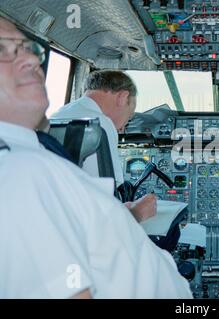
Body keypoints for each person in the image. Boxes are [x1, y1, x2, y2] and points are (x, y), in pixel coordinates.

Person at [0, 17, 192, 298]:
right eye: (4, 50)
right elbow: (67, 288)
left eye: (30, 49)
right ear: (122, 98)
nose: (31, 60)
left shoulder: (33, 146)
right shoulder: (19, 171)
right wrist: (136, 212)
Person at [51, 70, 136, 187]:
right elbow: (108, 190)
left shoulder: (55, 116)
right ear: (122, 97)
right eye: (129, 117)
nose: (122, 129)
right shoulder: (101, 123)